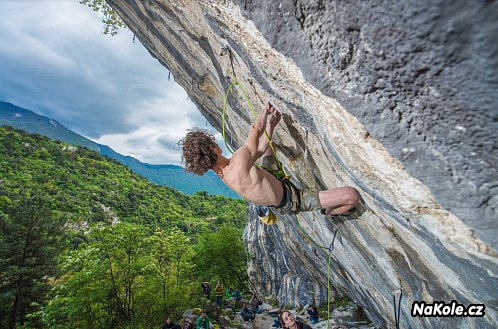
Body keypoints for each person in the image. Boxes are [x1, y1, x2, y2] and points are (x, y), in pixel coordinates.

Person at [179, 102, 359, 218]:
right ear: (211, 149)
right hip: (292, 199)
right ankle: (329, 211)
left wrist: (271, 125)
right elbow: (255, 130)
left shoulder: (223, 171)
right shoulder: (238, 162)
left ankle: (327, 205)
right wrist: (265, 110)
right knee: (351, 196)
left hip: (273, 180)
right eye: (211, 143)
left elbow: (258, 150)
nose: (214, 143)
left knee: (266, 151)